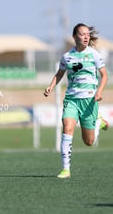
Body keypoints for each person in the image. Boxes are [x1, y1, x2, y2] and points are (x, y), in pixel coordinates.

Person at [44, 23, 109, 179]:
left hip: (89, 101)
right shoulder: (67, 57)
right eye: (82, 34)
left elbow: (104, 75)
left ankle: (97, 122)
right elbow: (59, 74)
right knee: (67, 127)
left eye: (87, 34)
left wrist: (99, 92)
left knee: (89, 142)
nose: (86, 37)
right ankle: (65, 169)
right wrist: (51, 86)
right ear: (74, 37)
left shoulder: (94, 54)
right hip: (72, 99)